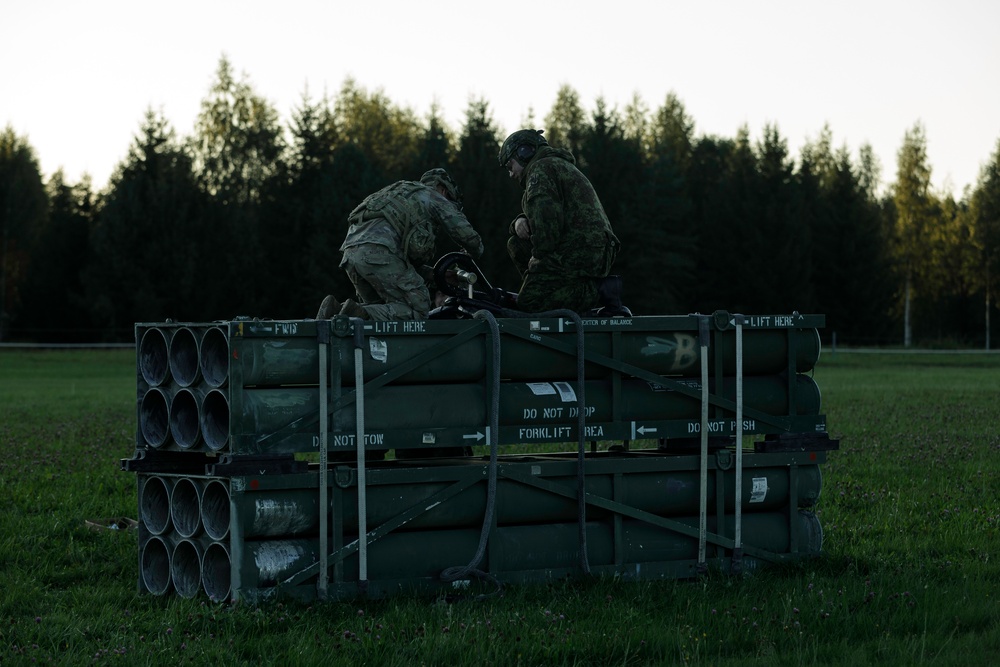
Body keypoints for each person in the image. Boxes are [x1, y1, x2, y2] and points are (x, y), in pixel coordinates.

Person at [316, 168, 484, 321]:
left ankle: (337, 310)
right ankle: (354, 313)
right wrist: (473, 255)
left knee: (386, 312)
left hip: (351, 254)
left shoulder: (400, 194)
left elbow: (401, 264)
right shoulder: (434, 196)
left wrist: (436, 275)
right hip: (378, 252)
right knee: (419, 309)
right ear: (444, 190)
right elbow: (468, 236)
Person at [497, 129, 620, 314]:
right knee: (516, 244)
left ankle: (600, 291)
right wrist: (519, 222)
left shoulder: (540, 171)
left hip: (581, 249)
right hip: (587, 247)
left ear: (523, 154)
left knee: (530, 302)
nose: (511, 174)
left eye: (510, 166)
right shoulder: (551, 166)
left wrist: (538, 260)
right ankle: (560, 296)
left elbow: (547, 229)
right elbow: (545, 214)